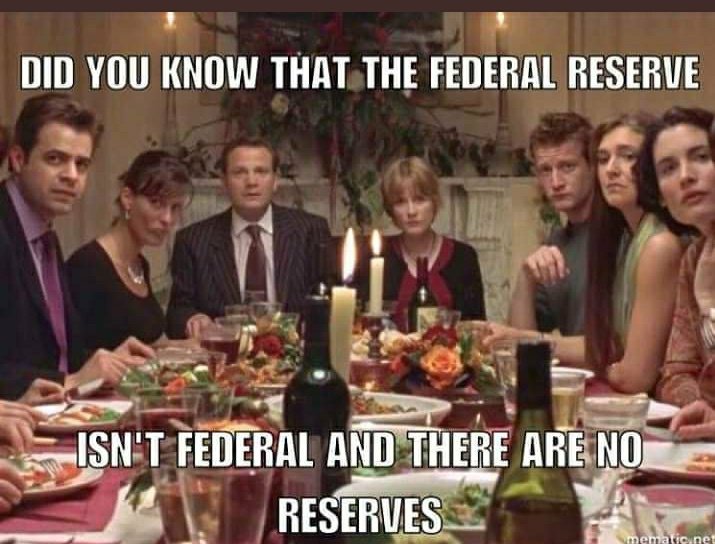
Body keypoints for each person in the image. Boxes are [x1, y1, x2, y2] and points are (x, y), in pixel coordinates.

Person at [0, 92, 153, 400]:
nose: (71, 176)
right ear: (18, 159)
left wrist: (106, 360)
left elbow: (52, 355)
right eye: (55, 159)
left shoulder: (46, 236)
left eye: (81, 164)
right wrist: (71, 380)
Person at [166, 136, 331, 339]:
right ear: (224, 182)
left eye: (261, 171)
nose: (252, 182)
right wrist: (193, 318)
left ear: (275, 180)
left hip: (295, 351)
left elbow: (329, 299)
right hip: (226, 353)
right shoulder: (192, 241)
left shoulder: (310, 231)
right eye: (239, 172)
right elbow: (177, 313)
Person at [584, 114, 685, 393]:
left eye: (628, 156)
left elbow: (635, 377)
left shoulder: (659, 244)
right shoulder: (626, 238)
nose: (611, 170)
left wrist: (606, 368)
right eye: (603, 159)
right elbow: (606, 347)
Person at [484, 113, 594, 366]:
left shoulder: (619, 233)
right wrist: (526, 278)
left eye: (568, 167)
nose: (556, 182)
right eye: (546, 170)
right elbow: (521, 350)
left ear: (592, 168)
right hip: (577, 382)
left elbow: (615, 350)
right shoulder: (557, 243)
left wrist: (528, 340)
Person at [67, 150, 192, 350]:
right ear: (127, 198)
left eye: (175, 207)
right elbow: (69, 353)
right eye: (156, 203)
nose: (167, 219)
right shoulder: (88, 266)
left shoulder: (140, 264)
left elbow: (147, 344)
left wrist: (195, 347)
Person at [638, 106, 715, 407]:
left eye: (701, 157)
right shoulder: (694, 259)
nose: (686, 176)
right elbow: (674, 375)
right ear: (659, 195)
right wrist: (702, 407)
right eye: (668, 168)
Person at [357, 156, 485, 324]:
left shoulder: (463, 257)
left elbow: (476, 327)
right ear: (390, 209)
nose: (411, 211)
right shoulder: (376, 256)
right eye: (400, 202)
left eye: (419, 199)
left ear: (434, 202)